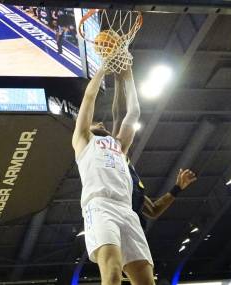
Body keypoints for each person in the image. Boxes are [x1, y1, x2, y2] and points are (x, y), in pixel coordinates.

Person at [73, 66, 155, 285]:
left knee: (146, 280)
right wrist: (103, 68)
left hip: (127, 212)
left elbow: (133, 113)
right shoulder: (83, 140)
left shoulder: (119, 146)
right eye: (95, 122)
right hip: (100, 206)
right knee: (112, 272)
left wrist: (128, 75)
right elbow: (89, 97)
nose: (100, 122)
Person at [111, 73, 197, 229]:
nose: (101, 125)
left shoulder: (126, 167)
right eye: (97, 126)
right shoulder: (110, 154)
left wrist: (177, 188)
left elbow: (153, 211)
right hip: (115, 230)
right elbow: (120, 115)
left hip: (135, 233)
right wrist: (118, 76)